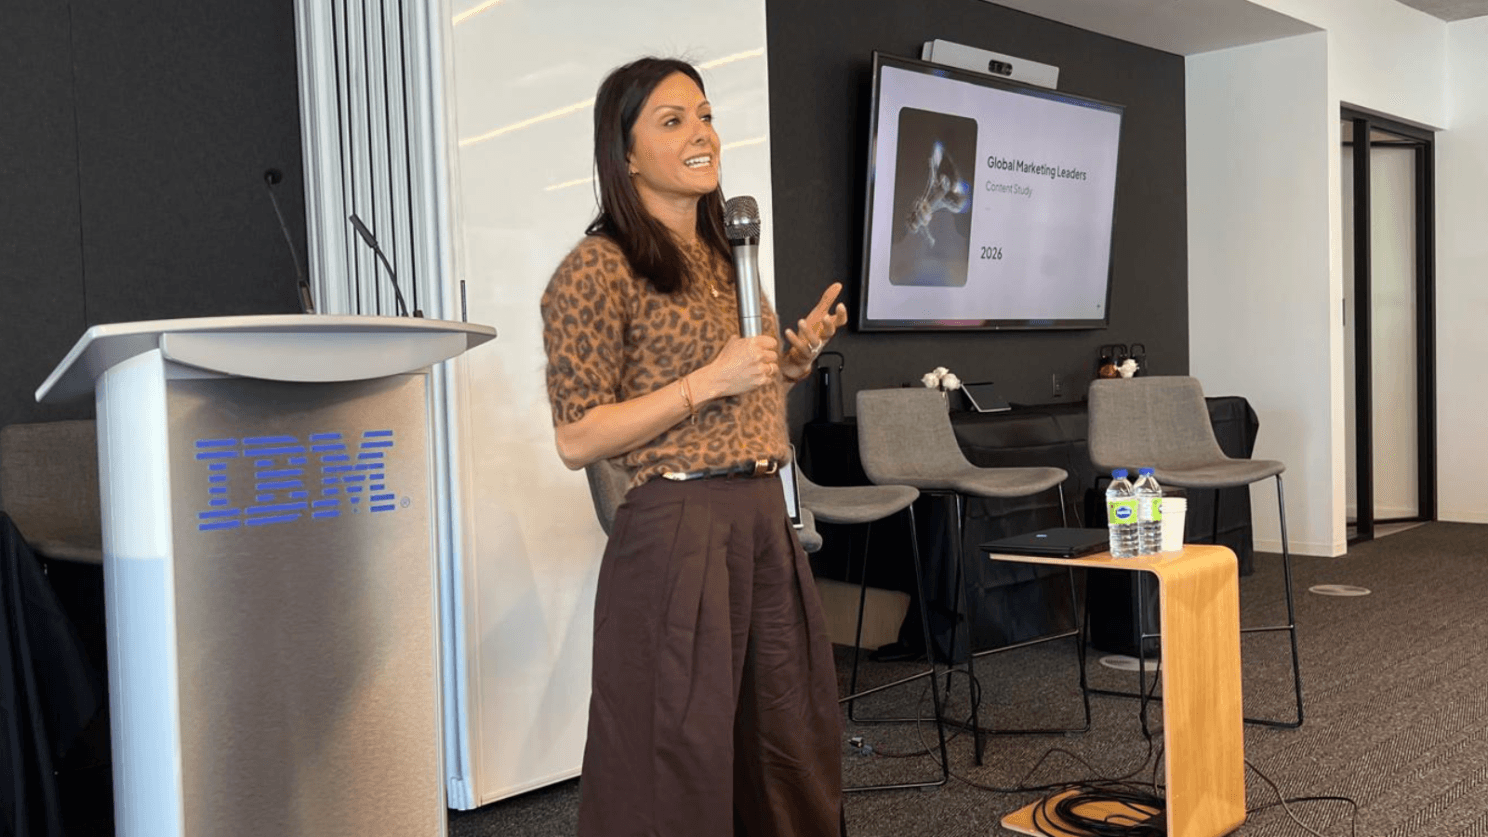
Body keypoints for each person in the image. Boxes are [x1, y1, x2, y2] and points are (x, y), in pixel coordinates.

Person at [540, 56, 850, 836]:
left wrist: (791, 362)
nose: (702, 133)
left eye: (706, 116)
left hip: (763, 518)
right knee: (673, 753)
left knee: (786, 742)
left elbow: (745, 398)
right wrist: (706, 380)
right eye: (673, 121)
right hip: (677, 526)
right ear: (625, 154)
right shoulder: (596, 268)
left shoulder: (727, 258)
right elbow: (578, 436)